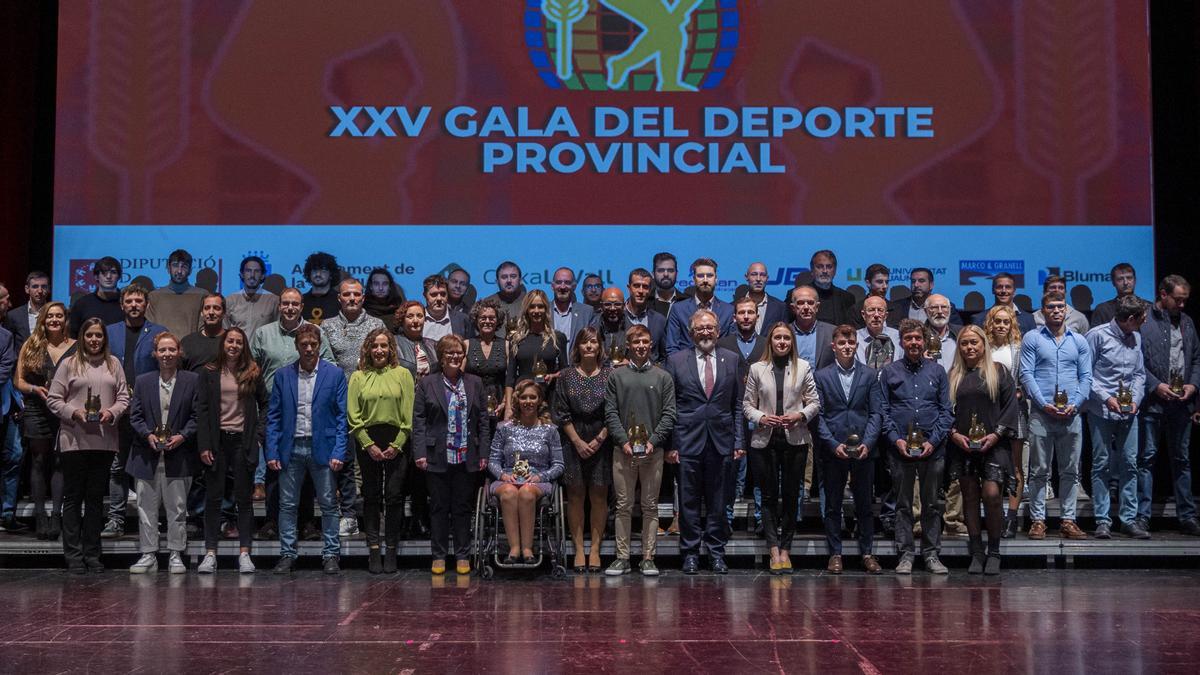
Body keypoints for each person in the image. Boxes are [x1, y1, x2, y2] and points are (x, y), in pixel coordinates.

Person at [46, 318, 130, 573]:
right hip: (74, 439)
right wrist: (74, 413)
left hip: (103, 440)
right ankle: (73, 554)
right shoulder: (69, 364)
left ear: (104, 339)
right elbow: (53, 399)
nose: (94, 340)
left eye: (99, 336)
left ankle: (92, 554)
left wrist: (112, 412)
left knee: (94, 500)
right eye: (89, 335)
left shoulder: (114, 364)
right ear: (82, 338)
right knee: (73, 499)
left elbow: (124, 397)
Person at [248, 287, 333, 536]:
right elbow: (252, 369)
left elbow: (328, 363)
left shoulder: (315, 333)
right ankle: (273, 521)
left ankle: (306, 522)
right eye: (285, 303)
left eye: (295, 303)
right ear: (279, 305)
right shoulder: (264, 334)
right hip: (273, 408)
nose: (290, 308)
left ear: (302, 305)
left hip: (308, 405)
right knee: (276, 464)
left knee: (306, 464)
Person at [664, 309, 744, 575]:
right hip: (687, 442)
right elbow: (671, 406)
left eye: (710, 327)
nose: (706, 332)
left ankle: (716, 552)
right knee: (687, 502)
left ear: (718, 331)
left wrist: (738, 441)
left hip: (722, 441)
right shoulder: (676, 361)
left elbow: (737, 405)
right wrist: (672, 445)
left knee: (718, 502)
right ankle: (690, 553)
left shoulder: (732, 360)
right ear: (691, 333)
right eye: (700, 328)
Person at [267, 324, 348, 575]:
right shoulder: (283, 376)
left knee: (328, 505)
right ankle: (288, 555)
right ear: (297, 346)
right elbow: (274, 416)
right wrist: (271, 451)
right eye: (304, 344)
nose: (309, 349)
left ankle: (331, 554)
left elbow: (342, 417)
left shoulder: (334, 374)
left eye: (313, 344)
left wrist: (339, 451)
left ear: (319, 345)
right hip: (290, 448)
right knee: (288, 505)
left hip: (322, 446)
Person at [877, 319, 953, 574]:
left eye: (917, 338)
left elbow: (946, 411)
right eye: (908, 338)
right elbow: (883, 411)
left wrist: (933, 442)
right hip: (900, 449)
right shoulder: (889, 372)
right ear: (901, 342)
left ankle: (931, 555)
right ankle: (906, 555)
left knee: (932, 504)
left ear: (924, 341)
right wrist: (896, 440)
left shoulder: (937, 371)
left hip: (933, 449)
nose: (913, 343)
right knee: (903, 504)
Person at [743, 322, 819, 573]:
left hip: (794, 438)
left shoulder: (803, 367)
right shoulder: (757, 368)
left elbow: (814, 403)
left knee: (790, 496)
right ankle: (772, 550)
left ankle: (786, 550)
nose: (782, 342)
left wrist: (799, 415)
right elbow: (746, 406)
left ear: (792, 342)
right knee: (766, 497)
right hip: (764, 440)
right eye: (778, 338)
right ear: (771, 341)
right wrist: (761, 418)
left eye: (787, 338)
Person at [604, 325, 677, 576]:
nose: (641, 346)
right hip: (622, 451)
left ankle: (648, 557)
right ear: (628, 345)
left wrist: (653, 441)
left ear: (651, 344)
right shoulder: (616, 376)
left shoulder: (663, 377)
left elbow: (669, 414)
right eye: (636, 342)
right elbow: (611, 412)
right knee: (623, 506)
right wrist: (623, 441)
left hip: (652, 452)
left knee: (650, 506)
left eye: (645, 341)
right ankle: (622, 557)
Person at [414, 335, 489, 575]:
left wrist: (483, 453)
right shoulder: (428, 383)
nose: (455, 357)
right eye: (450, 353)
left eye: (459, 353)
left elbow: (483, 422)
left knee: (462, 507)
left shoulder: (475, 382)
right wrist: (420, 452)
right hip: (437, 454)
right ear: (441, 357)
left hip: (467, 454)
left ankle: (462, 555)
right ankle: (438, 556)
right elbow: (419, 421)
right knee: (438, 507)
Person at [1020, 290, 1092, 540]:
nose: (1056, 311)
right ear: (1043, 310)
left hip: (1071, 414)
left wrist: (1076, 403)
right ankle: (1038, 520)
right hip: (1042, 414)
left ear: (1066, 309)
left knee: (1070, 470)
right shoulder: (1032, 338)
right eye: (1051, 307)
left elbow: (1086, 377)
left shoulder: (1079, 341)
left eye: (1061, 306)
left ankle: (1068, 520)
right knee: (1039, 470)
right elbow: (1026, 373)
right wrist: (1042, 403)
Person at [126, 332, 199, 574]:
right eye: (162, 350)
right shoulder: (144, 381)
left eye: (171, 350)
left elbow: (197, 416)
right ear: (155, 354)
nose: (167, 354)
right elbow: (134, 416)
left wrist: (183, 436)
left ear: (179, 353)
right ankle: (148, 554)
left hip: (178, 455)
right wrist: (147, 434)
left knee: (177, 508)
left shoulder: (192, 380)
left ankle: (176, 554)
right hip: (146, 456)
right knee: (146, 509)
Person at [195, 327, 267, 573]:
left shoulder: (252, 372)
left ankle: (245, 553)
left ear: (243, 346)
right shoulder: (209, 372)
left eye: (238, 342)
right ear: (223, 344)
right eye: (230, 341)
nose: (233, 345)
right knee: (213, 499)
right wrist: (204, 444)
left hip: (242, 442)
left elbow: (266, 405)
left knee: (244, 500)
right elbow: (201, 410)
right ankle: (210, 553)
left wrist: (258, 436)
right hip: (217, 442)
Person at [947, 325, 1017, 575]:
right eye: (964, 343)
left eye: (974, 342)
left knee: (992, 494)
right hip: (963, 445)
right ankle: (977, 552)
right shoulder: (953, 375)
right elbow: (945, 412)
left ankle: (994, 551)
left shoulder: (999, 372)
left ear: (983, 345)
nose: (969, 347)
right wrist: (954, 434)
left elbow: (1011, 407)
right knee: (970, 497)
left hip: (994, 443)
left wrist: (996, 434)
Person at [815, 326, 884, 574]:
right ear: (833, 346)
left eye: (851, 342)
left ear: (857, 345)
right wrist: (833, 445)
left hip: (864, 449)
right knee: (832, 505)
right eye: (842, 342)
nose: (847, 346)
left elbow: (877, 412)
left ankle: (867, 553)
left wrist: (868, 442)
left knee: (865, 504)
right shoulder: (821, 376)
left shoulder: (869, 375)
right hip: (834, 450)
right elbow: (818, 416)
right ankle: (835, 553)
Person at [1136, 275, 1200, 536]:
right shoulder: (1144, 320)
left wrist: (1193, 386)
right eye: (1178, 299)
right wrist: (1155, 385)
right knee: (1147, 459)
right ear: (1163, 295)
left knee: (1182, 460)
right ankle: (1142, 517)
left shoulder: (1187, 322)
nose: (1182, 305)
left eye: (1185, 300)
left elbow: (1195, 359)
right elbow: (1134, 360)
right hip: (1152, 403)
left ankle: (1187, 516)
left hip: (1181, 405)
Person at [347, 327, 413, 573]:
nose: (379, 350)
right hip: (368, 439)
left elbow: (408, 413)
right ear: (368, 349)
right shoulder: (358, 376)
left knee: (394, 496)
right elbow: (353, 416)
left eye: (384, 346)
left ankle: (392, 549)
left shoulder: (403, 374)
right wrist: (368, 444)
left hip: (397, 438)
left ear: (391, 349)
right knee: (372, 496)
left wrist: (397, 444)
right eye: (375, 346)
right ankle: (374, 549)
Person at [103, 284, 166, 538]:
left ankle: (149, 520)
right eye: (129, 301)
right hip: (116, 411)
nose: (134, 305)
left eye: (139, 301)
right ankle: (116, 520)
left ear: (146, 304)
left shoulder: (159, 333)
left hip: (147, 411)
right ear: (122, 305)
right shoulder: (109, 333)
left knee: (148, 468)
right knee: (117, 467)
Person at [322, 277, 383, 537]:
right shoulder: (326, 326)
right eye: (347, 295)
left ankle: (373, 515)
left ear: (363, 298)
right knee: (344, 460)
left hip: (371, 401)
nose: (352, 299)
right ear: (339, 298)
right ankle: (348, 514)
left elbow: (382, 359)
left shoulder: (376, 325)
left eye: (356, 295)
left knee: (371, 458)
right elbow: (325, 361)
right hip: (337, 401)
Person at [1085, 296, 1148, 539]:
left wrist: (1135, 399)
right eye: (1142, 318)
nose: (1144, 322)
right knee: (1101, 463)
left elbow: (1139, 374)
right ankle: (1103, 519)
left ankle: (1128, 520)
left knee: (1130, 463)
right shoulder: (1097, 335)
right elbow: (1086, 374)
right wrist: (1106, 398)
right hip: (1101, 411)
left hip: (1129, 411)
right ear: (1131, 319)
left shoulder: (1136, 337)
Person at [552, 327, 612, 573]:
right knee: (575, 496)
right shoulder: (565, 376)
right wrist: (577, 441)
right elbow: (560, 412)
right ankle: (578, 549)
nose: (589, 346)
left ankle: (595, 549)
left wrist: (598, 440)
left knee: (599, 496)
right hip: (572, 439)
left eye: (594, 342)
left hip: (602, 440)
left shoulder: (611, 375)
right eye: (585, 343)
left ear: (600, 347)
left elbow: (614, 412)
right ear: (577, 347)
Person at [15, 301, 75, 539]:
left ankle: (57, 517)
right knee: (39, 460)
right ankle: (41, 516)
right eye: (50, 316)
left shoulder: (75, 346)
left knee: (60, 461)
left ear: (65, 319)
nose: (54, 320)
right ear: (43, 319)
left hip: (64, 410)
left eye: (59, 316)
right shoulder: (31, 344)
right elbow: (18, 380)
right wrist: (33, 389)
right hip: (36, 409)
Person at [488, 379, 564, 564]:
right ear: (517, 400)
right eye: (523, 397)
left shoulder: (550, 430)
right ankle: (514, 548)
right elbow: (493, 461)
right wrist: (503, 475)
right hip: (507, 476)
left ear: (539, 400)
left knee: (527, 492)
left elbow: (559, 465)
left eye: (532, 397)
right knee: (509, 491)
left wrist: (540, 476)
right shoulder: (503, 428)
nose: (528, 401)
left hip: (538, 479)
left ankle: (528, 548)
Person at [719, 295, 766, 532]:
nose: (746, 316)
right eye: (741, 313)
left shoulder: (767, 344)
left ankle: (760, 518)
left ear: (757, 316)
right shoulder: (723, 344)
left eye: (750, 312)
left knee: (760, 471)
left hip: (760, 415)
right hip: (732, 413)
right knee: (730, 470)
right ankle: (726, 519)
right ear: (734, 316)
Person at [984, 304, 1029, 538]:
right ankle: (994, 516)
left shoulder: (1019, 349)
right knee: (991, 467)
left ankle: (1011, 518)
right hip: (988, 413)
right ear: (990, 323)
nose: (1001, 325)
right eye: (997, 321)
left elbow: (1026, 379)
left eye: (1006, 322)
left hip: (1014, 412)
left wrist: (1018, 392)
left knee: (1015, 466)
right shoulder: (983, 348)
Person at [395, 300, 438, 537]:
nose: (415, 320)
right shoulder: (392, 343)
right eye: (410, 316)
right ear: (402, 319)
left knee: (422, 470)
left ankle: (420, 517)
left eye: (419, 316)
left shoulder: (432, 345)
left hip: (427, 416)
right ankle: (400, 520)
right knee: (401, 472)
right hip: (401, 412)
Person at [504, 291, 567, 416]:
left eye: (540, 306)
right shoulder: (516, 339)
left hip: (550, 399)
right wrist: (508, 407)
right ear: (527, 310)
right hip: (523, 400)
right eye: (532, 306)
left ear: (546, 309)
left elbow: (565, 371)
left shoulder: (558, 337)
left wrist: (553, 376)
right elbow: (510, 377)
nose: (536, 310)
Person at [665, 258, 734, 356]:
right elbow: (672, 348)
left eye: (709, 276)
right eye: (700, 276)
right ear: (694, 279)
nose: (705, 280)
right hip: (685, 368)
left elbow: (730, 349)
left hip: (718, 368)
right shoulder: (678, 309)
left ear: (716, 279)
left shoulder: (728, 311)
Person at [464, 298, 509, 420]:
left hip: (500, 406)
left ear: (498, 320)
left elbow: (510, 380)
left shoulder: (506, 345)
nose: (487, 321)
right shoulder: (466, 344)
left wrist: (505, 404)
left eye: (491, 318)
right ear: (476, 320)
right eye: (483, 318)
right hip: (472, 405)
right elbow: (460, 379)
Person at [146, 249, 208, 338]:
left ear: (190, 270)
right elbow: (149, 330)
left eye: (184, 266)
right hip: (162, 349)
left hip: (191, 349)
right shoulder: (154, 296)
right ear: (168, 268)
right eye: (175, 266)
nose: (179, 271)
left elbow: (203, 330)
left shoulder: (202, 295)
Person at [224, 255, 279, 341]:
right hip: (237, 352)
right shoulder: (230, 300)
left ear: (262, 275)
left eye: (256, 271)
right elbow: (225, 333)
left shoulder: (274, 301)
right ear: (242, 274)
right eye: (248, 271)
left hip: (263, 353)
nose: (252, 275)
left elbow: (277, 332)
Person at [887, 267, 962, 328]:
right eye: (913, 281)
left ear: (931, 285)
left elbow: (956, 330)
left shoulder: (945, 306)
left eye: (921, 281)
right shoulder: (898, 306)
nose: (916, 285)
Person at [68, 257, 125, 336]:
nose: (108, 276)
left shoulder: (127, 303)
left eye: (113, 272)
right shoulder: (82, 304)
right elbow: (73, 336)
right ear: (96, 276)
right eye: (104, 272)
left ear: (119, 277)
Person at [549, 267, 597, 358]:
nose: (563, 287)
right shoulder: (543, 311)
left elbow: (594, 344)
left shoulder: (587, 312)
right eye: (559, 282)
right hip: (549, 369)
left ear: (574, 286)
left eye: (567, 283)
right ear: (552, 286)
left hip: (577, 368)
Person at [623, 268, 669, 359]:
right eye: (636, 286)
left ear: (650, 290)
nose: (640, 291)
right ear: (629, 288)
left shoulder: (659, 320)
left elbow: (665, 356)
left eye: (645, 287)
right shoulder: (617, 316)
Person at [971, 272, 1037, 335]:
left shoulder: (1028, 319)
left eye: (1008, 287)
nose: (1003, 291)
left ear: (1014, 291)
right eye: (999, 287)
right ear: (993, 290)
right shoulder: (979, 319)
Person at [806, 250, 858, 327]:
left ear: (835, 270)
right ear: (812, 270)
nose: (825, 271)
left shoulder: (847, 298)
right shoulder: (796, 295)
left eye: (829, 267)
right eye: (820, 267)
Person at [1091, 263, 1148, 329]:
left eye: (1129, 278)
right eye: (1120, 279)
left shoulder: (1148, 307)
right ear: (1113, 282)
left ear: (1135, 280)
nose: (1126, 282)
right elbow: (1095, 336)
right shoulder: (1103, 310)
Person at [180, 293, 226, 372]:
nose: (211, 312)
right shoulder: (187, 341)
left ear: (224, 313)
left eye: (216, 308)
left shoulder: (232, 341)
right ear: (201, 313)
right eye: (207, 308)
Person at [4, 270, 51, 346]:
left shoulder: (55, 314)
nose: (40, 291)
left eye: (44, 287)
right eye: (35, 286)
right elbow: (7, 345)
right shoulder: (13, 316)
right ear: (27, 289)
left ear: (48, 289)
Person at [741, 262, 789, 334]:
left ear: (767, 278)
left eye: (762, 275)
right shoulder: (733, 307)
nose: (758, 279)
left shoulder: (780, 307)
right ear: (746, 277)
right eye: (754, 274)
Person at [480, 261, 526, 334]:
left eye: (513, 276)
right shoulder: (487, 303)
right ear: (497, 281)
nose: (509, 281)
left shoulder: (530, 301)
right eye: (504, 277)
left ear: (520, 280)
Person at [857, 295, 901, 369]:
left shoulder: (898, 337)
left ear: (886, 315)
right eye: (871, 310)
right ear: (863, 315)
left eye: (880, 310)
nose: (876, 315)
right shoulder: (855, 338)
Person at [422, 274, 468, 342]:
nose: (439, 298)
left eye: (443, 294)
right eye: (434, 295)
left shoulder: (462, 320)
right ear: (425, 295)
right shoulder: (417, 319)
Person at [300, 251, 342, 324]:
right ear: (309, 273)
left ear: (331, 274)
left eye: (323, 270)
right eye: (314, 270)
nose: (318, 274)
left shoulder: (340, 300)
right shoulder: (301, 300)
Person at [365, 267, 406, 333]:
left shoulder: (400, 309)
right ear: (370, 286)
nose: (380, 288)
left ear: (390, 287)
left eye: (385, 284)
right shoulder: (363, 310)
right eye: (376, 284)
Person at [924, 294, 958, 372]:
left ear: (949, 310)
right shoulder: (918, 336)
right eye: (934, 307)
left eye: (943, 307)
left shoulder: (960, 333)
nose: (939, 311)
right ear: (925, 311)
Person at [650, 252, 688, 318]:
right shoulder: (644, 302)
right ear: (653, 274)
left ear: (676, 274)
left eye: (670, 270)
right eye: (661, 270)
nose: (666, 274)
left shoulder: (687, 302)